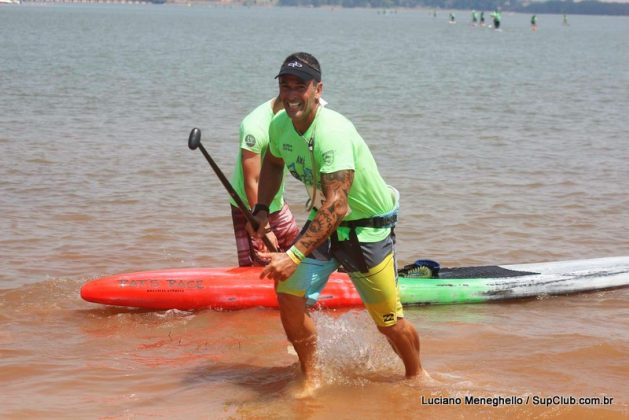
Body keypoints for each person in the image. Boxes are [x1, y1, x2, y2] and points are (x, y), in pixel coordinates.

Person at [251, 52, 424, 393]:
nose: (290, 95)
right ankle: (311, 377)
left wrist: (293, 255)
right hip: (324, 222)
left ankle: (417, 376)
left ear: (318, 89)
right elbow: (272, 163)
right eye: (284, 86)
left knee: (389, 322)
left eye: (299, 87)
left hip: (366, 229)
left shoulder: (333, 131)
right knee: (288, 291)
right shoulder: (279, 125)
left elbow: (338, 205)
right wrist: (261, 209)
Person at [229, 97, 299, 266]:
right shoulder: (255, 126)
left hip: (277, 201)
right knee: (261, 264)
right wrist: (265, 228)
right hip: (249, 205)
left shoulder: (295, 118)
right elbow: (252, 180)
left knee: (298, 252)